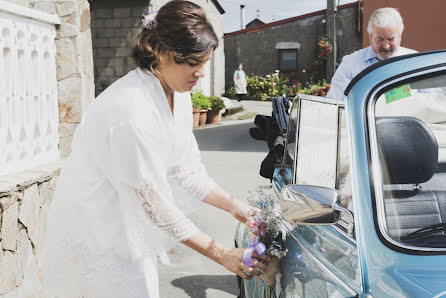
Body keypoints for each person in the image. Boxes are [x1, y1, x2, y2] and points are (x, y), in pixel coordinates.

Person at [41, 1, 267, 297]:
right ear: (160, 53)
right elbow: (154, 203)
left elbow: (186, 170)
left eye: (204, 63)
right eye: (192, 63)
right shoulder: (131, 111)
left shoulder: (178, 93)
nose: (200, 73)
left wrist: (239, 208)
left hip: (127, 228)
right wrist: (220, 253)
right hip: (96, 229)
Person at [327, 7, 416, 99]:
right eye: (380, 39)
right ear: (370, 36)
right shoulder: (350, 64)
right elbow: (335, 102)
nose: (386, 46)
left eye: (391, 39)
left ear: (400, 36)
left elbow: (429, 99)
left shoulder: (416, 62)